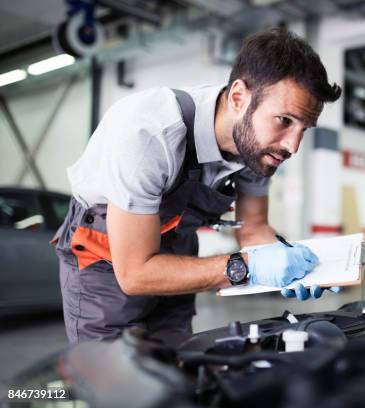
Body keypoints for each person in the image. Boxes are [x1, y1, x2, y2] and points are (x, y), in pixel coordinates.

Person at [51, 28, 342, 343]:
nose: (292, 146)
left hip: (178, 249)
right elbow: (134, 274)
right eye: (285, 120)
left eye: (304, 128)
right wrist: (248, 267)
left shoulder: (258, 148)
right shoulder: (148, 134)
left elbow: (254, 228)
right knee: (112, 380)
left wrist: (298, 266)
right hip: (105, 261)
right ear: (238, 97)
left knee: (178, 366)